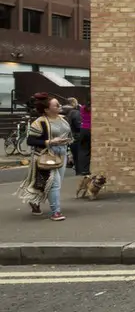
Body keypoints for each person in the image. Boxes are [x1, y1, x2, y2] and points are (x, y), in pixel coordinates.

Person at [16, 93, 74, 221]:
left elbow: (68, 136)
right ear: (47, 109)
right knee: (55, 184)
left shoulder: (63, 119)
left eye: (59, 104)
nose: (59, 106)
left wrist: (69, 151)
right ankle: (56, 212)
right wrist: (50, 142)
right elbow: (30, 141)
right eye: (56, 105)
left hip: (62, 155)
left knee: (50, 183)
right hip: (46, 156)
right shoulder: (39, 123)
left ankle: (34, 200)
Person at [66, 98, 83, 175]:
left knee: (76, 159)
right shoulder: (75, 113)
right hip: (77, 138)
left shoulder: (69, 113)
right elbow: (79, 126)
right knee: (79, 158)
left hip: (73, 138)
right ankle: (80, 174)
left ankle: (78, 173)